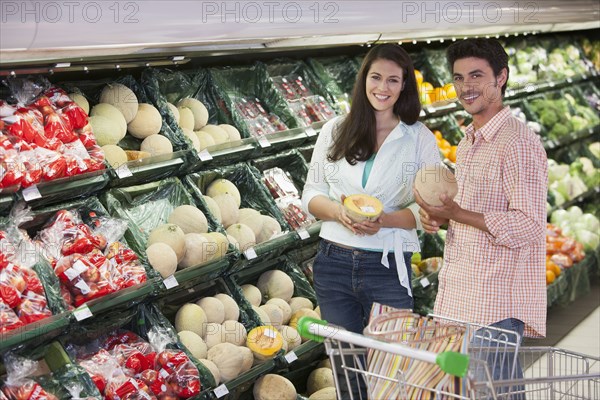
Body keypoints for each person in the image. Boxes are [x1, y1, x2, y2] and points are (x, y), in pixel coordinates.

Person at [414, 38, 548, 398]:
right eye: (458, 77)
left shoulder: (517, 143)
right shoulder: (468, 141)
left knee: (495, 394)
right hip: (459, 295)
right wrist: (442, 219)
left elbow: (529, 225)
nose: (465, 86)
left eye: (476, 75)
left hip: (495, 304)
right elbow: (472, 212)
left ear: (501, 78)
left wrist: (457, 212)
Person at [302, 43, 441, 335]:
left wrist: (385, 220)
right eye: (376, 77)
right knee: (346, 367)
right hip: (333, 262)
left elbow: (429, 208)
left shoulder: (419, 139)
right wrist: (339, 212)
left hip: (387, 265)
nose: (383, 87)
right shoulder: (334, 130)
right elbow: (311, 194)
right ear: (364, 78)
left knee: (390, 368)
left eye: (393, 80)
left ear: (404, 85)